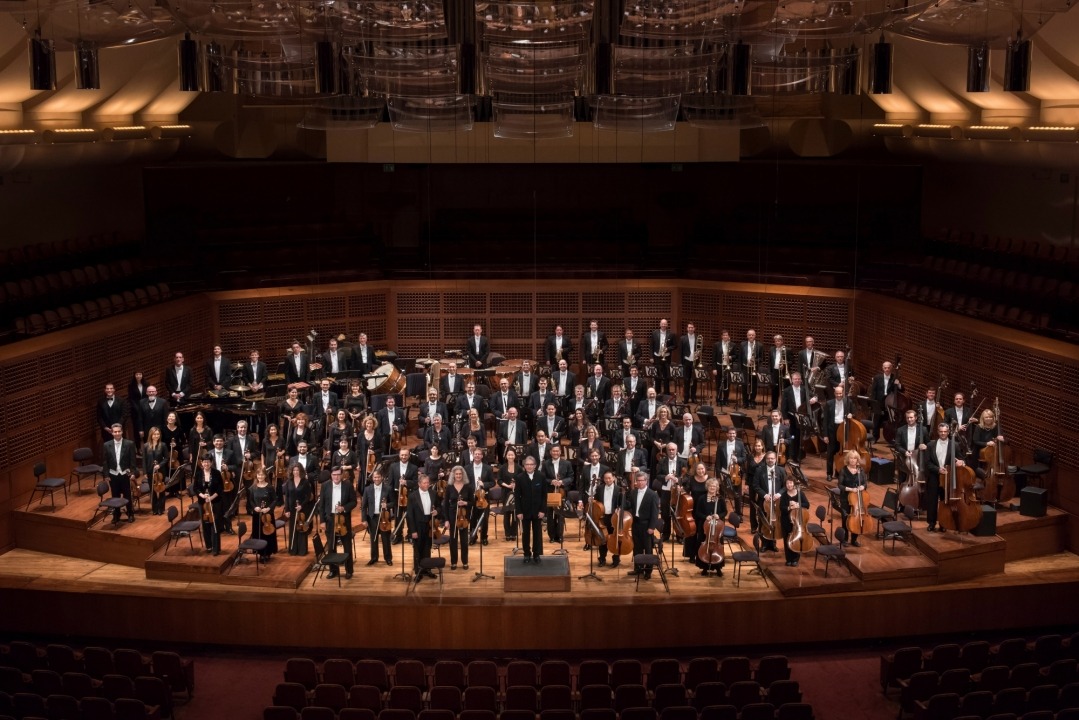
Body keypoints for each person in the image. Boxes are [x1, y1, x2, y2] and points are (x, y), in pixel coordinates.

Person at [320, 466, 357, 579]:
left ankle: (349, 570)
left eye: (338, 474)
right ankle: (333, 570)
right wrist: (322, 521)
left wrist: (344, 508)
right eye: (334, 475)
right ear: (331, 475)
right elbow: (321, 505)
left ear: (342, 475)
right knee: (331, 546)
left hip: (343, 519)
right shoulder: (325, 486)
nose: (336, 477)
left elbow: (354, 502)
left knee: (347, 546)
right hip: (330, 519)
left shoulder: (348, 485)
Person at [625, 471, 661, 578]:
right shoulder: (633, 492)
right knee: (637, 548)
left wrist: (652, 527)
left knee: (648, 549)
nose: (640, 482)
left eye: (642, 480)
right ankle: (638, 569)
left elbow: (654, 513)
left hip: (646, 525)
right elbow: (630, 507)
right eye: (638, 480)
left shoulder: (652, 494)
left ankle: (648, 571)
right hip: (635, 524)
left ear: (646, 481)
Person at [587, 470, 624, 568]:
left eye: (609, 478)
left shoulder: (619, 489)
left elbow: (624, 503)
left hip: (614, 517)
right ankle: (602, 559)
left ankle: (616, 559)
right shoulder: (600, 488)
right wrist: (592, 500)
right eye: (605, 478)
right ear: (603, 479)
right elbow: (596, 500)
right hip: (602, 517)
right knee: (602, 539)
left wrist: (619, 508)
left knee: (614, 538)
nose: (607, 480)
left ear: (613, 478)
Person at [101, 424, 136, 524]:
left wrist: (132, 472)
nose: (117, 433)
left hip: (125, 474)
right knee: (115, 495)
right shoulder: (106, 445)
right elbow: (105, 462)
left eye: (119, 431)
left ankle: (130, 513)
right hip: (113, 474)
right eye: (115, 432)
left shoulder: (129, 444)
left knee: (127, 495)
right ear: (112, 433)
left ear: (122, 432)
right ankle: (116, 515)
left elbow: (132, 460)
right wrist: (106, 475)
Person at [441, 465, 474, 570]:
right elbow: (445, 505)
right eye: (456, 474)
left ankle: (465, 561)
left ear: (463, 474)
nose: (458, 476)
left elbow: (472, 502)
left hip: (464, 517)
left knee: (464, 541)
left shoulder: (468, 487)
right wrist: (446, 520)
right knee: (453, 540)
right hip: (452, 515)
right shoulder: (449, 487)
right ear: (453, 475)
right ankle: (453, 562)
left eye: (460, 474)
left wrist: (465, 503)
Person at [407, 474, 439, 579]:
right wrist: (413, 531)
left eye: (428, 482)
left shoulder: (433, 493)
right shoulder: (412, 496)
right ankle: (418, 572)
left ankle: (427, 570)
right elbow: (410, 515)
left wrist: (437, 511)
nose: (427, 485)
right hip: (417, 526)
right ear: (419, 484)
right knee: (418, 550)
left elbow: (439, 506)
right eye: (424, 483)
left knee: (427, 548)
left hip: (429, 525)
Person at [693, 477, 726, 576]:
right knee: (704, 546)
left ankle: (718, 567)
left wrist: (719, 515)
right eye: (711, 486)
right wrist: (705, 517)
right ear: (707, 487)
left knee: (717, 546)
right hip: (705, 527)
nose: (712, 488)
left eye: (714, 486)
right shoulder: (702, 498)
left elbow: (725, 511)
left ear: (717, 488)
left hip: (717, 528)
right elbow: (697, 512)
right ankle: (704, 567)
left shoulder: (720, 499)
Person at [781, 371, 817, 462]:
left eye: (798, 379)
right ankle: (789, 455)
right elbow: (783, 406)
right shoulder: (787, 391)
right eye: (795, 379)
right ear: (792, 380)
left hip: (801, 416)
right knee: (791, 436)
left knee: (799, 436)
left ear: (801, 380)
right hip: (791, 417)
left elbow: (815, 396)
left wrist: (814, 399)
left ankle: (797, 456)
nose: (797, 380)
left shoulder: (804, 389)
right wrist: (785, 418)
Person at [516, 456, 546, 564]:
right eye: (527, 464)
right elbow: (517, 496)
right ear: (524, 466)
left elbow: (544, 496)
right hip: (524, 511)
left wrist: (542, 510)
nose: (529, 466)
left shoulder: (541, 476)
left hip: (538, 511)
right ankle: (527, 554)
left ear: (535, 466)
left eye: (531, 464)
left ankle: (536, 554)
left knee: (537, 534)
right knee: (526, 534)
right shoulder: (519, 477)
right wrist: (519, 511)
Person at [753, 451, 785, 552]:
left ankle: (773, 544)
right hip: (764, 501)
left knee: (775, 521)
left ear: (775, 459)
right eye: (768, 458)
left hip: (777, 501)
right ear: (765, 459)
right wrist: (764, 495)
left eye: (772, 458)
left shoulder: (781, 470)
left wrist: (779, 494)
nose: (770, 460)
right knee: (763, 522)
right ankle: (764, 544)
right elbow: (755, 485)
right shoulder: (759, 470)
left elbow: (785, 486)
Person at [361, 469, 394, 566]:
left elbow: (393, 503)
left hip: (384, 517)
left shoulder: (388, 488)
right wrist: (364, 519)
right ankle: (374, 558)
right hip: (372, 518)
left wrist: (387, 505)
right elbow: (364, 506)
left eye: (378, 477)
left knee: (385, 539)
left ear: (382, 477)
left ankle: (388, 558)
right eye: (375, 477)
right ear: (372, 478)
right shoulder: (367, 489)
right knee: (373, 539)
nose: (377, 479)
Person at [654, 442, 685, 541]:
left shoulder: (683, 462)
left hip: (678, 492)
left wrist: (678, 480)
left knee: (678, 514)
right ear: (666, 451)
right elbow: (657, 475)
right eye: (669, 450)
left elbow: (687, 476)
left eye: (673, 449)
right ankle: (666, 534)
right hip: (666, 491)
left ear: (677, 450)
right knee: (665, 513)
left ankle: (679, 535)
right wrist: (666, 477)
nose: (671, 451)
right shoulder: (661, 461)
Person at [194, 454, 224, 555]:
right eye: (204, 462)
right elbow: (195, 488)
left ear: (211, 462)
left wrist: (211, 497)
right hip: (202, 503)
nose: (206, 463)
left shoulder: (217, 473)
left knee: (215, 524)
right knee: (205, 524)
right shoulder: (198, 474)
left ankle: (216, 548)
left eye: (208, 461)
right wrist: (202, 496)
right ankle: (209, 546)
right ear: (201, 463)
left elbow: (220, 488)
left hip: (215, 502)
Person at [543, 444, 573, 543]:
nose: (555, 453)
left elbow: (571, 477)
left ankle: (560, 536)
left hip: (562, 492)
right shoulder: (546, 464)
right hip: (551, 492)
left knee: (560, 514)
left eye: (557, 451)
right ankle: (551, 536)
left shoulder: (567, 463)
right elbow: (543, 477)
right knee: (551, 514)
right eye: (553, 451)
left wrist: (562, 482)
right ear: (550, 452)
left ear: (560, 452)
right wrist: (551, 481)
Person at [822, 384, 853, 479]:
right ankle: (829, 473)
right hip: (832, 429)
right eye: (837, 393)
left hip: (843, 429)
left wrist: (851, 415)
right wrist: (825, 435)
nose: (839, 395)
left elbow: (854, 413)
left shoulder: (848, 402)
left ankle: (839, 471)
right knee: (830, 453)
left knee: (842, 452)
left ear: (843, 393)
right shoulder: (829, 403)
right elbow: (825, 420)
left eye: (840, 393)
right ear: (834, 393)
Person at [838, 450, 868, 547]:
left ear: (857, 460)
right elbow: (840, 485)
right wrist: (850, 489)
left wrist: (862, 487)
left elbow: (865, 483)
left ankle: (854, 539)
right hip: (846, 497)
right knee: (846, 518)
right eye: (851, 458)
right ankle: (844, 539)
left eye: (855, 458)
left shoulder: (861, 470)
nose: (853, 460)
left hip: (857, 498)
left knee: (857, 518)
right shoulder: (843, 470)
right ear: (848, 459)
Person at [465, 447, 494, 545]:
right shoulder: (467, 468)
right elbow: (465, 483)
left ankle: (484, 537)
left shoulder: (488, 468)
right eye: (475, 454)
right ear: (473, 455)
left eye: (479, 454)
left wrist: (484, 484)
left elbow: (493, 482)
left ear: (482, 456)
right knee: (473, 518)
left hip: (484, 497)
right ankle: (473, 536)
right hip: (472, 497)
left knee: (484, 518)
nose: (477, 455)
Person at [778, 476, 810, 567]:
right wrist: (789, 507)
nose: (789, 485)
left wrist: (798, 504)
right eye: (787, 483)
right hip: (786, 521)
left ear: (794, 484)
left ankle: (795, 559)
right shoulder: (784, 495)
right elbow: (781, 508)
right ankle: (788, 559)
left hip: (798, 522)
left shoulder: (800, 494)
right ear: (785, 485)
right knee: (787, 540)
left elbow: (807, 505)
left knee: (796, 539)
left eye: (791, 483)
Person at [248, 467, 278, 561]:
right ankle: (260, 553)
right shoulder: (253, 488)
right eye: (258, 475)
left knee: (268, 533)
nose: (260, 476)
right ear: (256, 475)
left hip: (267, 515)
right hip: (257, 515)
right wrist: (255, 507)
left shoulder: (269, 487)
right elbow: (251, 501)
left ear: (265, 476)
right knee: (258, 533)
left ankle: (268, 552)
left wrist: (268, 508)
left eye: (262, 475)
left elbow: (275, 500)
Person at [282, 464, 313, 555]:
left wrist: (301, 506)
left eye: (297, 470)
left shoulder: (305, 482)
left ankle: (302, 550)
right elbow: (287, 497)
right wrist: (287, 510)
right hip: (292, 509)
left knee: (302, 528)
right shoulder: (289, 481)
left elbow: (308, 496)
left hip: (302, 509)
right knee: (293, 528)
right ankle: (293, 549)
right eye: (294, 470)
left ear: (300, 471)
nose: (295, 472)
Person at [870, 360, 904, 442]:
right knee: (877, 420)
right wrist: (873, 402)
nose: (887, 369)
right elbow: (873, 390)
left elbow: (902, 390)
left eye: (888, 368)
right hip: (879, 401)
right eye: (885, 368)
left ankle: (891, 437)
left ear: (891, 368)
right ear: (883, 368)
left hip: (890, 402)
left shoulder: (895, 377)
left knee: (890, 419)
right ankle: (875, 437)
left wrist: (898, 384)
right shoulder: (877, 378)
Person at [894, 409, 927, 485]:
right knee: (903, 479)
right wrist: (904, 452)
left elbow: (928, 443)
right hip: (905, 457)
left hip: (918, 457)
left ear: (916, 418)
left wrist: (925, 446)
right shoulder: (900, 430)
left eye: (911, 417)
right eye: (907, 418)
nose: (909, 419)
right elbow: (897, 445)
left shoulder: (923, 430)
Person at [142, 426, 168, 515]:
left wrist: (159, 465)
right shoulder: (146, 446)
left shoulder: (163, 445)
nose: (156, 436)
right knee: (152, 490)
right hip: (150, 471)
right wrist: (145, 472)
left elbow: (166, 458)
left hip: (161, 471)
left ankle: (161, 508)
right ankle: (154, 508)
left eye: (158, 434)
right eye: (154, 434)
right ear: (151, 435)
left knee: (161, 490)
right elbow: (144, 460)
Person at [971, 407, 1006, 471]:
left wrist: (1003, 439)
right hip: (979, 452)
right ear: (983, 418)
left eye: (990, 417)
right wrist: (987, 443)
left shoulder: (996, 427)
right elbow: (975, 441)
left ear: (993, 418)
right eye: (986, 417)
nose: (988, 419)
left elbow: (1006, 440)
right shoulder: (979, 427)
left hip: (993, 453)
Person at [498, 447, 521, 541]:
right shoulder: (502, 467)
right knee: (507, 514)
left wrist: (516, 485)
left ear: (515, 456)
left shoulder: (519, 467)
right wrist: (507, 486)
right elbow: (499, 480)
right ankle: (507, 534)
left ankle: (514, 533)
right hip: (506, 492)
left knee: (515, 513)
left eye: (512, 455)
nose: (510, 456)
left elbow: (522, 479)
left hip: (516, 493)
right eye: (509, 455)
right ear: (506, 456)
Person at [743, 439, 766, 528]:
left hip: (762, 483)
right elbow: (748, 471)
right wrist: (746, 484)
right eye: (756, 446)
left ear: (762, 446)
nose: (757, 447)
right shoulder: (750, 456)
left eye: (759, 446)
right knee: (752, 504)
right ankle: (753, 525)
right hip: (752, 482)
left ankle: (761, 525)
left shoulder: (766, 457)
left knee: (761, 504)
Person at [354, 416, 383, 486]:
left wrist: (374, 452)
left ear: (373, 424)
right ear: (365, 424)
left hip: (374, 460)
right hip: (363, 460)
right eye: (367, 423)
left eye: (371, 423)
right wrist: (358, 462)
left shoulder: (377, 435)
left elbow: (382, 448)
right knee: (363, 476)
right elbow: (358, 450)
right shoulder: (361, 435)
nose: (369, 425)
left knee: (373, 475)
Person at [650, 319, 676, 396]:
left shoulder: (671, 334)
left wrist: (668, 348)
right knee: (657, 375)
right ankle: (657, 392)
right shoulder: (654, 333)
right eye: (662, 324)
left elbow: (675, 345)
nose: (663, 325)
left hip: (666, 357)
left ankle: (666, 393)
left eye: (665, 324)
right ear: (660, 324)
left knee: (666, 375)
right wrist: (651, 357)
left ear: (667, 325)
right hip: (657, 357)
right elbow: (651, 346)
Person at [679, 322, 700, 403]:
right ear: (687, 329)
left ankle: (693, 397)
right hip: (686, 361)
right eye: (689, 327)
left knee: (694, 380)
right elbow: (680, 352)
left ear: (694, 328)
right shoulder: (682, 338)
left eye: (692, 327)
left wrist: (698, 352)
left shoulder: (698, 337)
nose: (690, 329)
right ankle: (686, 398)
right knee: (686, 380)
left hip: (695, 361)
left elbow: (702, 348)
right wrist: (680, 363)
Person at [740, 329, 762, 408]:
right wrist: (740, 369)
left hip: (754, 368)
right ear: (747, 336)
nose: (751, 336)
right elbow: (740, 357)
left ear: (755, 336)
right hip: (745, 368)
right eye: (749, 335)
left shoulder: (759, 345)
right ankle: (745, 402)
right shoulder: (742, 344)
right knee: (744, 385)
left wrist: (754, 361)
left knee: (754, 385)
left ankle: (752, 401)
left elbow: (762, 358)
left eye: (752, 335)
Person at [711, 330, 733, 406]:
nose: (725, 336)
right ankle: (719, 399)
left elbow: (736, 356)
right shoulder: (716, 345)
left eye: (726, 335)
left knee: (727, 384)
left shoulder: (732, 345)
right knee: (718, 384)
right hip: (719, 366)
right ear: (721, 336)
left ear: (728, 336)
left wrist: (730, 357)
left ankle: (726, 400)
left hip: (727, 367)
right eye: (724, 335)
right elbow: (713, 358)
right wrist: (714, 368)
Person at [769, 335, 789, 410]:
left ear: (782, 341)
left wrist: (784, 365)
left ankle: (784, 407)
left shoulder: (787, 350)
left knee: (784, 390)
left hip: (783, 372)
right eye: (776, 341)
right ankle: (774, 406)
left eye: (779, 341)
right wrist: (770, 372)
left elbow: (791, 361)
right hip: (775, 372)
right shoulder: (772, 349)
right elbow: (770, 362)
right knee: (774, 390)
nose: (777, 342)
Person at [127, 372, 146, 438]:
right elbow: (131, 398)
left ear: (142, 375)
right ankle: (137, 444)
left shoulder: (146, 384)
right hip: (135, 410)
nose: (138, 376)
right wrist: (138, 409)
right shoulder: (131, 386)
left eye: (140, 374)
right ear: (134, 376)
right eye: (137, 374)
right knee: (136, 428)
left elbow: (147, 396)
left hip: (145, 408)